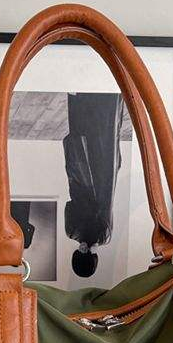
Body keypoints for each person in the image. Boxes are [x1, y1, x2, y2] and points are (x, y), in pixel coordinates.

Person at [62, 93, 124, 277]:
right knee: (85, 136)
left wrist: (91, 240)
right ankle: (83, 95)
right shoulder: (71, 232)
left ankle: (100, 96)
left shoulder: (103, 237)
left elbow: (102, 209)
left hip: (101, 180)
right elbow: (70, 206)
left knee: (101, 139)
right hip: (81, 177)